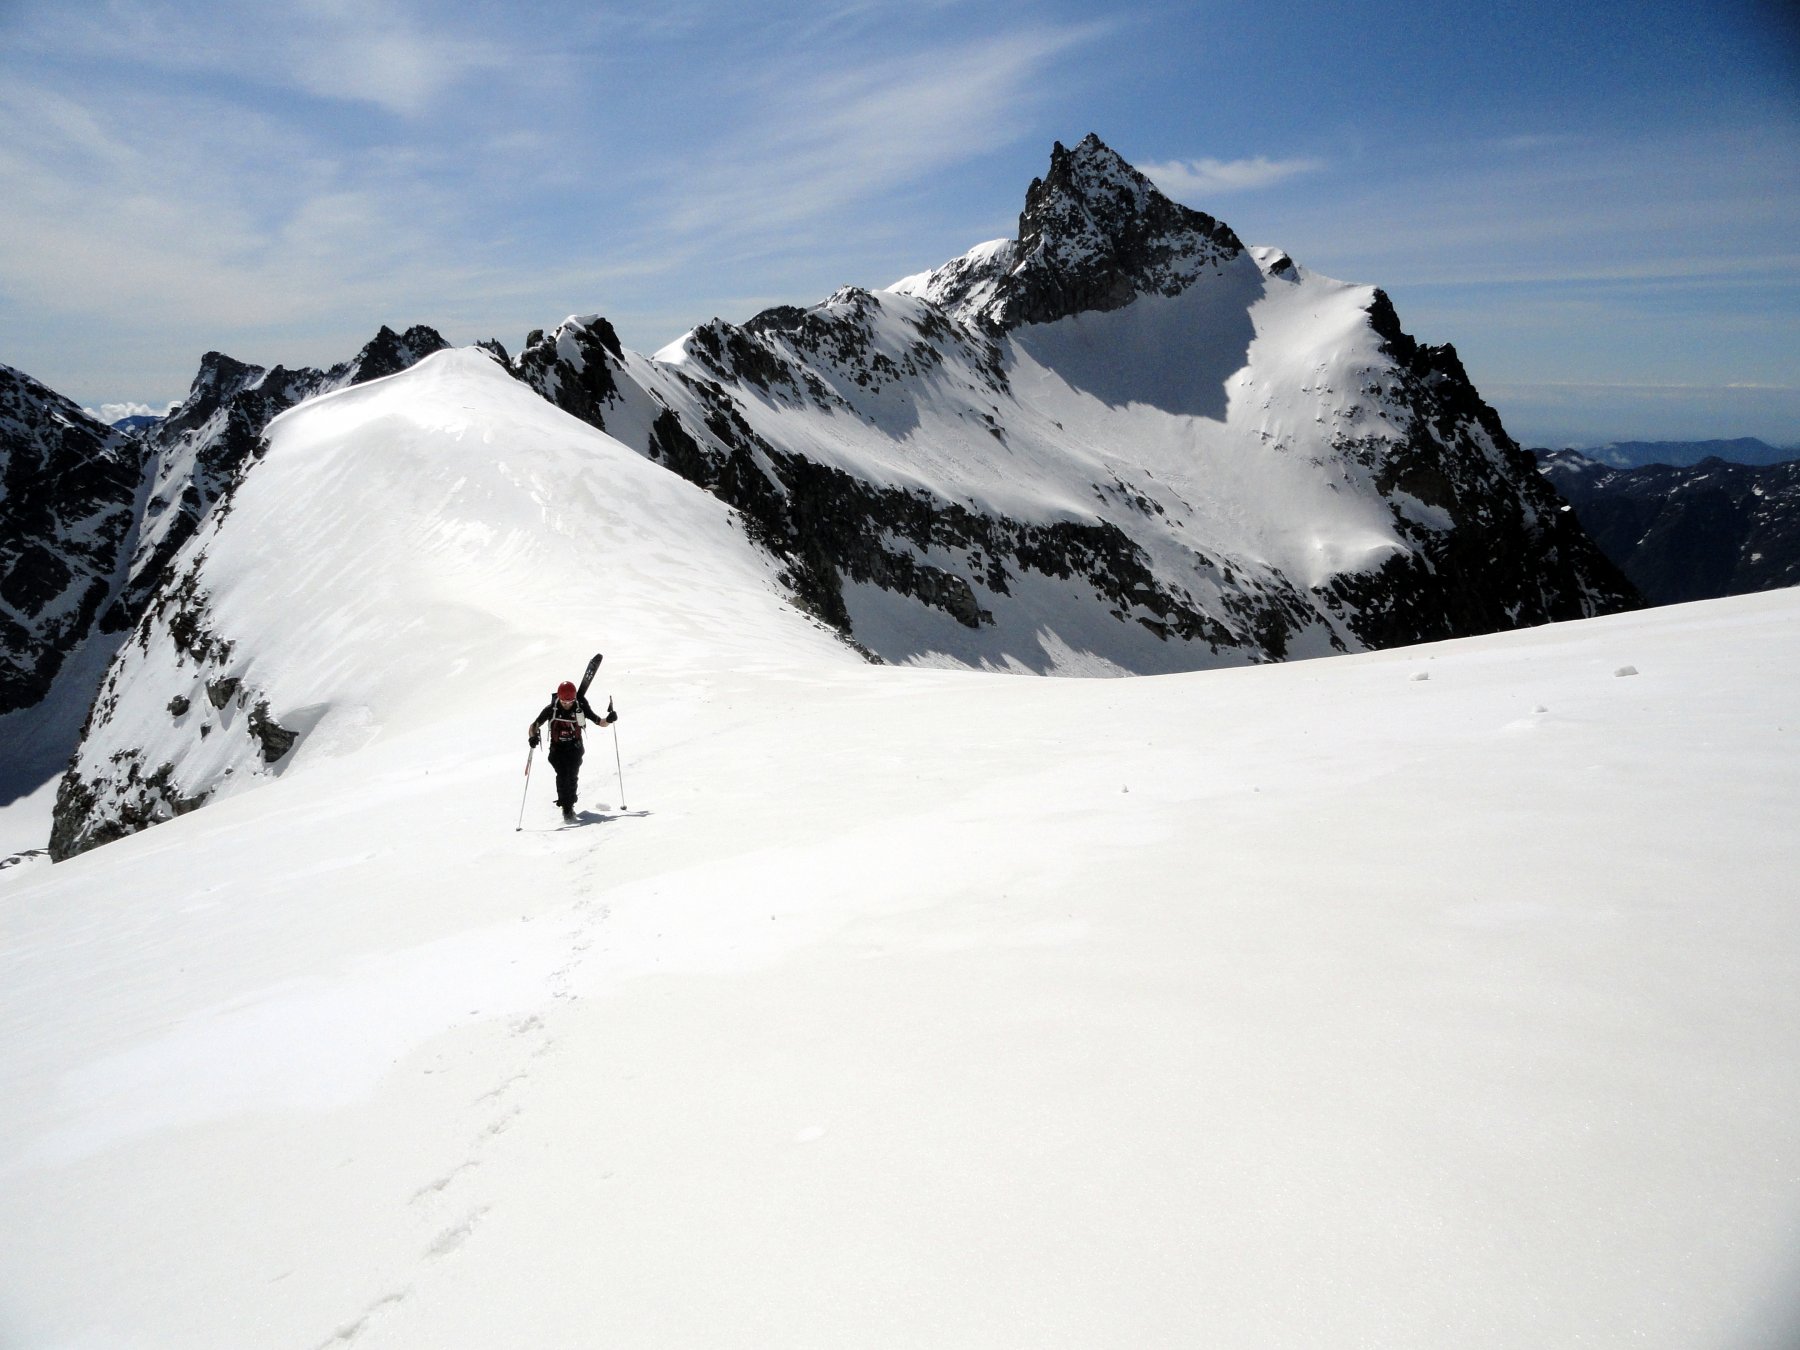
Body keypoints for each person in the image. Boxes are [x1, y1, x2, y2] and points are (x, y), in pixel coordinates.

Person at [528, 679, 617, 823]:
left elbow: (600, 722)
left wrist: (609, 719)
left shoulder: (580, 707)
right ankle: (566, 808)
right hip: (557, 749)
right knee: (563, 774)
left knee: (572, 775)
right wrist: (532, 737)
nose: (567, 704)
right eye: (563, 701)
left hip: (575, 748)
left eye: (569, 701)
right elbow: (534, 725)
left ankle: (570, 803)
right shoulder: (552, 709)